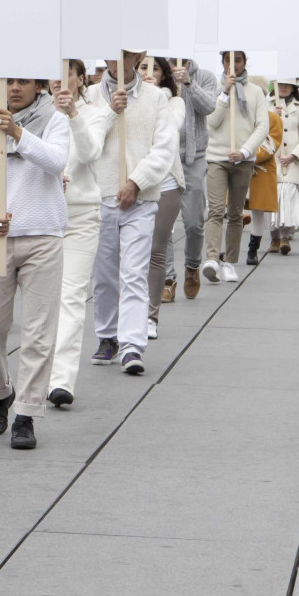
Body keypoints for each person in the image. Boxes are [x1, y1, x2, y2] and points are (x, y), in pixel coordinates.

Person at [0, 77, 70, 451]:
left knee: (40, 331)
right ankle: (0, 392)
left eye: (23, 81)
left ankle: (26, 413)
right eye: (5, 82)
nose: (13, 89)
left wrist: (20, 133)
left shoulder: (54, 119)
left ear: (38, 86)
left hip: (43, 235)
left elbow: (56, 160)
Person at [85, 52, 176, 377]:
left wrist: (137, 182)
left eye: (125, 55)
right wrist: (110, 111)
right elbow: (85, 141)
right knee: (105, 274)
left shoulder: (156, 98)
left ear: (137, 56)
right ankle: (107, 335)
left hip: (141, 199)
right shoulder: (91, 95)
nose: (117, 62)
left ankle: (132, 344)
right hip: (100, 197)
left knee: (134, 273)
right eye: (111, 55)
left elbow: (164, 148)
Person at [47, 60, 109, 409]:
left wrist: (72, 114)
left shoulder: (94, 113)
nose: (59, 80)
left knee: (71, 297)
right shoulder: (36, 111)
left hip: (81, 216)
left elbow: (90, 153)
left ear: (80, 78)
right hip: (39, 217)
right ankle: (35, 373)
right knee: (43, 303)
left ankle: (61, 380)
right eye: (53, 72)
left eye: (66, 72)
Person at [202, 51, 268, 284]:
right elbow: (211, 122)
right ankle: (211, 258)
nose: (233, 65)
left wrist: (245, 151)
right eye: (228, 60)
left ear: (245, 62)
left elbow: (262, 126)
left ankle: (229, 261)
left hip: (243, 160)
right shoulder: (215, 89)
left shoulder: (256, 92)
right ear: (222, 63)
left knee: (236, 212)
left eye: (237, 60)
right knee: (216, 209)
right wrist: (223, 93)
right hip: (217, 157)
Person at [137, 56, 186, 337]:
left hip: (165, 184)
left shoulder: (174, 102)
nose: (149, 73)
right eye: (143, 67)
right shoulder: (126, 98)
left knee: (156, 249)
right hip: (133, 185)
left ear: (164, 74)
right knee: (131, 254)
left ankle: (151, 316)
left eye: (155, 68)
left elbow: (172, 129)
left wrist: (153, 96)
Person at [170, 57, 219, 299]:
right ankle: (168, 277)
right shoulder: (155, 71)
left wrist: (189, 83)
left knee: (193, 221)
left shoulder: (206, 76)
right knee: (161, 225)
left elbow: (209, 106)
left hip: (194, 157)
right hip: (163, 157)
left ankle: (192, 265)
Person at [243, 87, 282, 266]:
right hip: (239, 170)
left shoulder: (273, 119)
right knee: (234, 212)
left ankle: (252, 251)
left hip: (261, 171)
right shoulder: (240, 116)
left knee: (258, 212)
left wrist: (245, 155)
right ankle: (231, 250)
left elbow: (271, 145)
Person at [274, 79, 299, 253]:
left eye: (287, 84)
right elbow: (258, 129)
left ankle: (284, 237)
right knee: (272, 198)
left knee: (287, 196)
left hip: (291, 160)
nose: (283, 87)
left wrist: (293, 156)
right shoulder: (268, 104)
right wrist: (271, 116)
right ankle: (274, 237)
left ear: (293, 87)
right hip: (271, 160)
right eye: (280, 84)